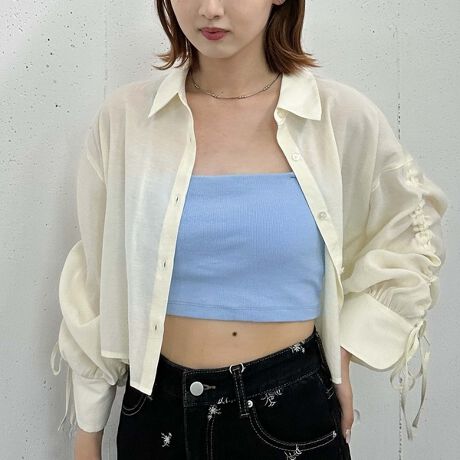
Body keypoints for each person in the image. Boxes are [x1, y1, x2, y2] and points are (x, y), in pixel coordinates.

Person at [49, 1, 448, 459]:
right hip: (156, 411)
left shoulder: (337, 117)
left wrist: (347, 344)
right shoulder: (127, 119)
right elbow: (96, 279)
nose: (209, 9)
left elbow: (412, 230)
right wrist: (88, 433)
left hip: (287, 410)